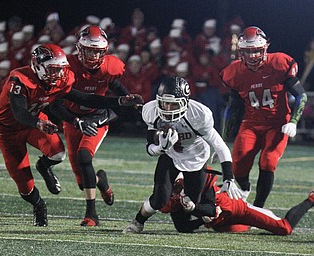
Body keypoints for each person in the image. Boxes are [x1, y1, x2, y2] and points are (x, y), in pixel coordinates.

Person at [0, 44, 143, 227]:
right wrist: (39, 123)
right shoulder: (20, 79)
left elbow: (85, 98)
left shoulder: (61, 79)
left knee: (58, 153)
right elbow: (19, 112)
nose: (58, 75)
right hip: (8, 130)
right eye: (53, 70)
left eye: (60, 70)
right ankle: (39, 204)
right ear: (38, 66)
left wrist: (119, 100)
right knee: (25, 184)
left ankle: (44, 166)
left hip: (35, 121)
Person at [122, 76, 242, 234]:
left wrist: (228, 177)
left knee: (191, 204)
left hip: (196, 158)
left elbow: (220, 146)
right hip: (171, 155)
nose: (168, 108)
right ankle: (138, 222)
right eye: (165, 103)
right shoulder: (151, 111)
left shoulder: (199, 115)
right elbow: (149, 148)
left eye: (173, 104)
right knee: (159, 198)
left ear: (185, 102)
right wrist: (161, 147)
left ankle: (207, 211)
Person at [50, 25, 133, 227]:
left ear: (104, 51)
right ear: (80, 48)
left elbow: (113, 84)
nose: (93, 56)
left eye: (97, 51)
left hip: (96, 117)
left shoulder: (109, 67)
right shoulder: (67, 66)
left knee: (84, 156)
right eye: (89, 50)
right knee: (81, 181)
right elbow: (55, 103)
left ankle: (91, 214)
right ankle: (101, 182)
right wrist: (73, 121)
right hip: (73, 120)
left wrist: (130, 99)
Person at [220, 26, 308, 207]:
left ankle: (258, 207)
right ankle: (245, 189)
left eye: (256, 51)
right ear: (240, 52)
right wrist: (221, 140)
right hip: (250, 124)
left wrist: (293, 121)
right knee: (238, 165)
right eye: (247, 52)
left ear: (265, 48)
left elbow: (301, 95)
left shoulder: (279, 63)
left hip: (277, 123)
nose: (252, 56)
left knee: (268, 162)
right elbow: (233, 107)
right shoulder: (234, 72)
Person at [160, 171, 314, 235]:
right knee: (242, 230)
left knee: (284, 228)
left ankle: (311, 199)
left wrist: (198, 209)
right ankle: (246, 194)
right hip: (221, 225)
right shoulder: (173, 199)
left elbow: (210, 209)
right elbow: (182, 227)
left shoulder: (200, 180)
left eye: (178, 185)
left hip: (238, 209)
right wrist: (200, 221)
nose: (175, 190)